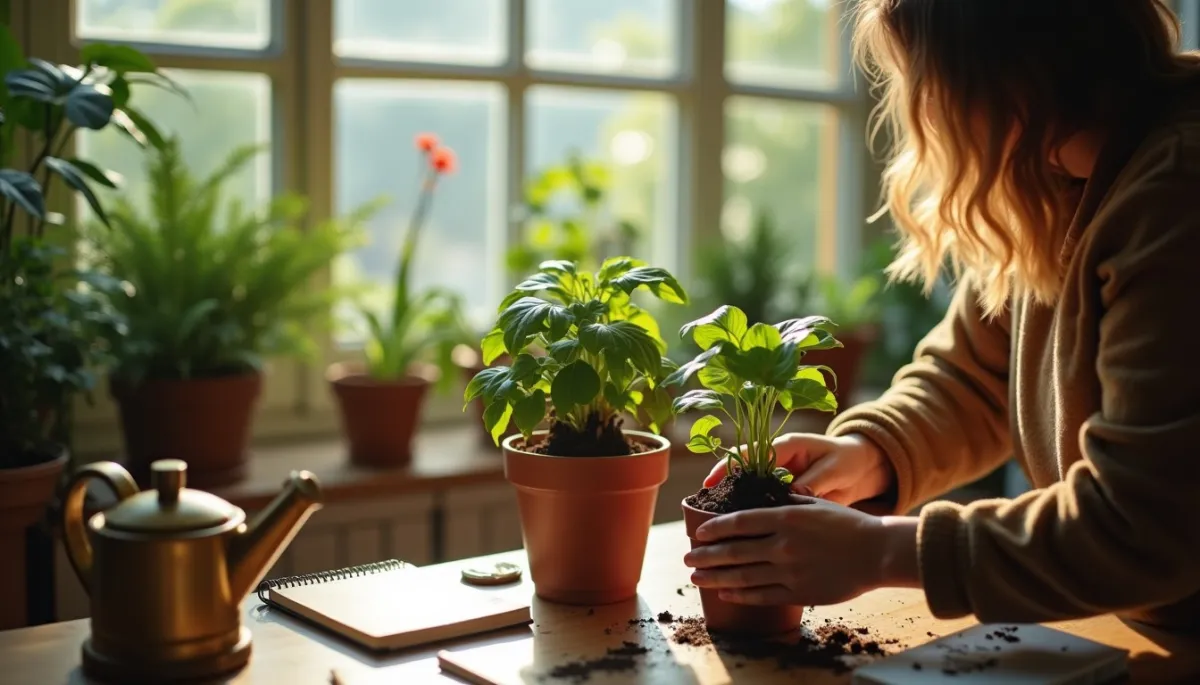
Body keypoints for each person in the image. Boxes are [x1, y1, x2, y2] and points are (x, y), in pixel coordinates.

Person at [683, 0, 1200, 630]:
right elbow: (975, 377)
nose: (925, 116)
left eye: (926, 86)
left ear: (1002, 81)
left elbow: (1145, 527)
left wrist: (880, 551)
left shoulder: (1175, 196)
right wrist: (869, 450)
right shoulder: (1054, 176)